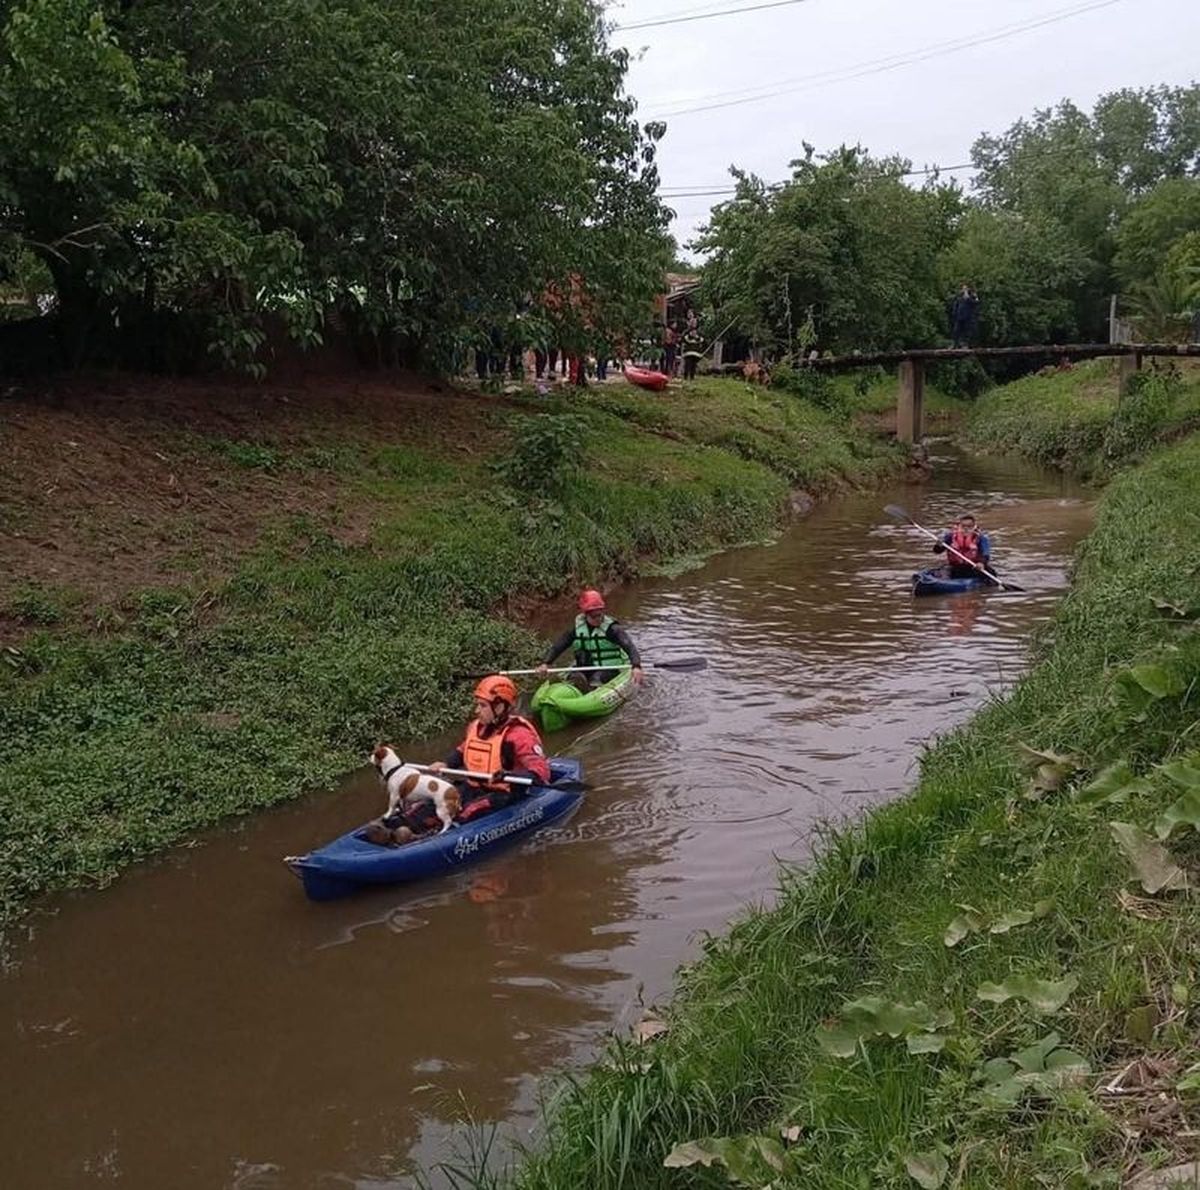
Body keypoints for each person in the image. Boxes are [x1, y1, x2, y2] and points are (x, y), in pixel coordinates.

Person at [428, 676, 551, 822]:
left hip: (504, 793)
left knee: (467, 813)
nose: (477, 710)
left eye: (483, 705)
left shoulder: (519, 735)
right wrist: (446, 764)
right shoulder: (475, 727)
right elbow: (462, 750)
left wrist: (508, 776)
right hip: (474, 787)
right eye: (478, 705)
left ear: (499, 707)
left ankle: (442, 833)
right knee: (436, 800)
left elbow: (541, 772)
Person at [537, 589, 645, 692]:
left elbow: (629, 646)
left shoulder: (612, 629)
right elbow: (558, 646)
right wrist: (545, 663)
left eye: (600, 614)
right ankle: (573, 687)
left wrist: (636, 666)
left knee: (596, 679)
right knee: (573, 676)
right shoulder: (576, 629)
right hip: (586, 666)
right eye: (594, 616)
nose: (598, 618)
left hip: (609, 668)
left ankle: (590, 691)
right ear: (585, 614)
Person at [933, 513, 992, 579]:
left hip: (974, 567)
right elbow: (938, 551)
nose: (966, 528)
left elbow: (986, 554)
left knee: (990, 574)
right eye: (963, 526)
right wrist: (938, 546)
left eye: (969, 526)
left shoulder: (981, 538)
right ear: (959, 526)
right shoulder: (950, 536)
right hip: (956, 567)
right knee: (943, 573)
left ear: (974, 526)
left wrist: (981, 563)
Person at [950, 283, 980, 348]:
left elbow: (976, 303)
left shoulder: (971, 297)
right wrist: (954, 314)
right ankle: (955, 344)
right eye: (963, 289)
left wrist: (969, 298)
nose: (964, 290)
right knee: (956, 331)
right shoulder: (959, 298)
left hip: (967, 318)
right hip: (959, 317)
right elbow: (956, 306)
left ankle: (965, 345)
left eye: (965, 288)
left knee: (966, 332)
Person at [681, 316, 704, 380]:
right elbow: (683, 340)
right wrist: (690, 336)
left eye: (695, 322)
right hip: (688, 352)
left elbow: (702, 340)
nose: (694, 323)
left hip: (696, 352)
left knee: (693, 365)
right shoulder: (686, 332)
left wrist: (697, 337)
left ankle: (692, 377)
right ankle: (685, 376)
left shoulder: (699, 332)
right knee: (687, 365)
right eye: (693, 322)